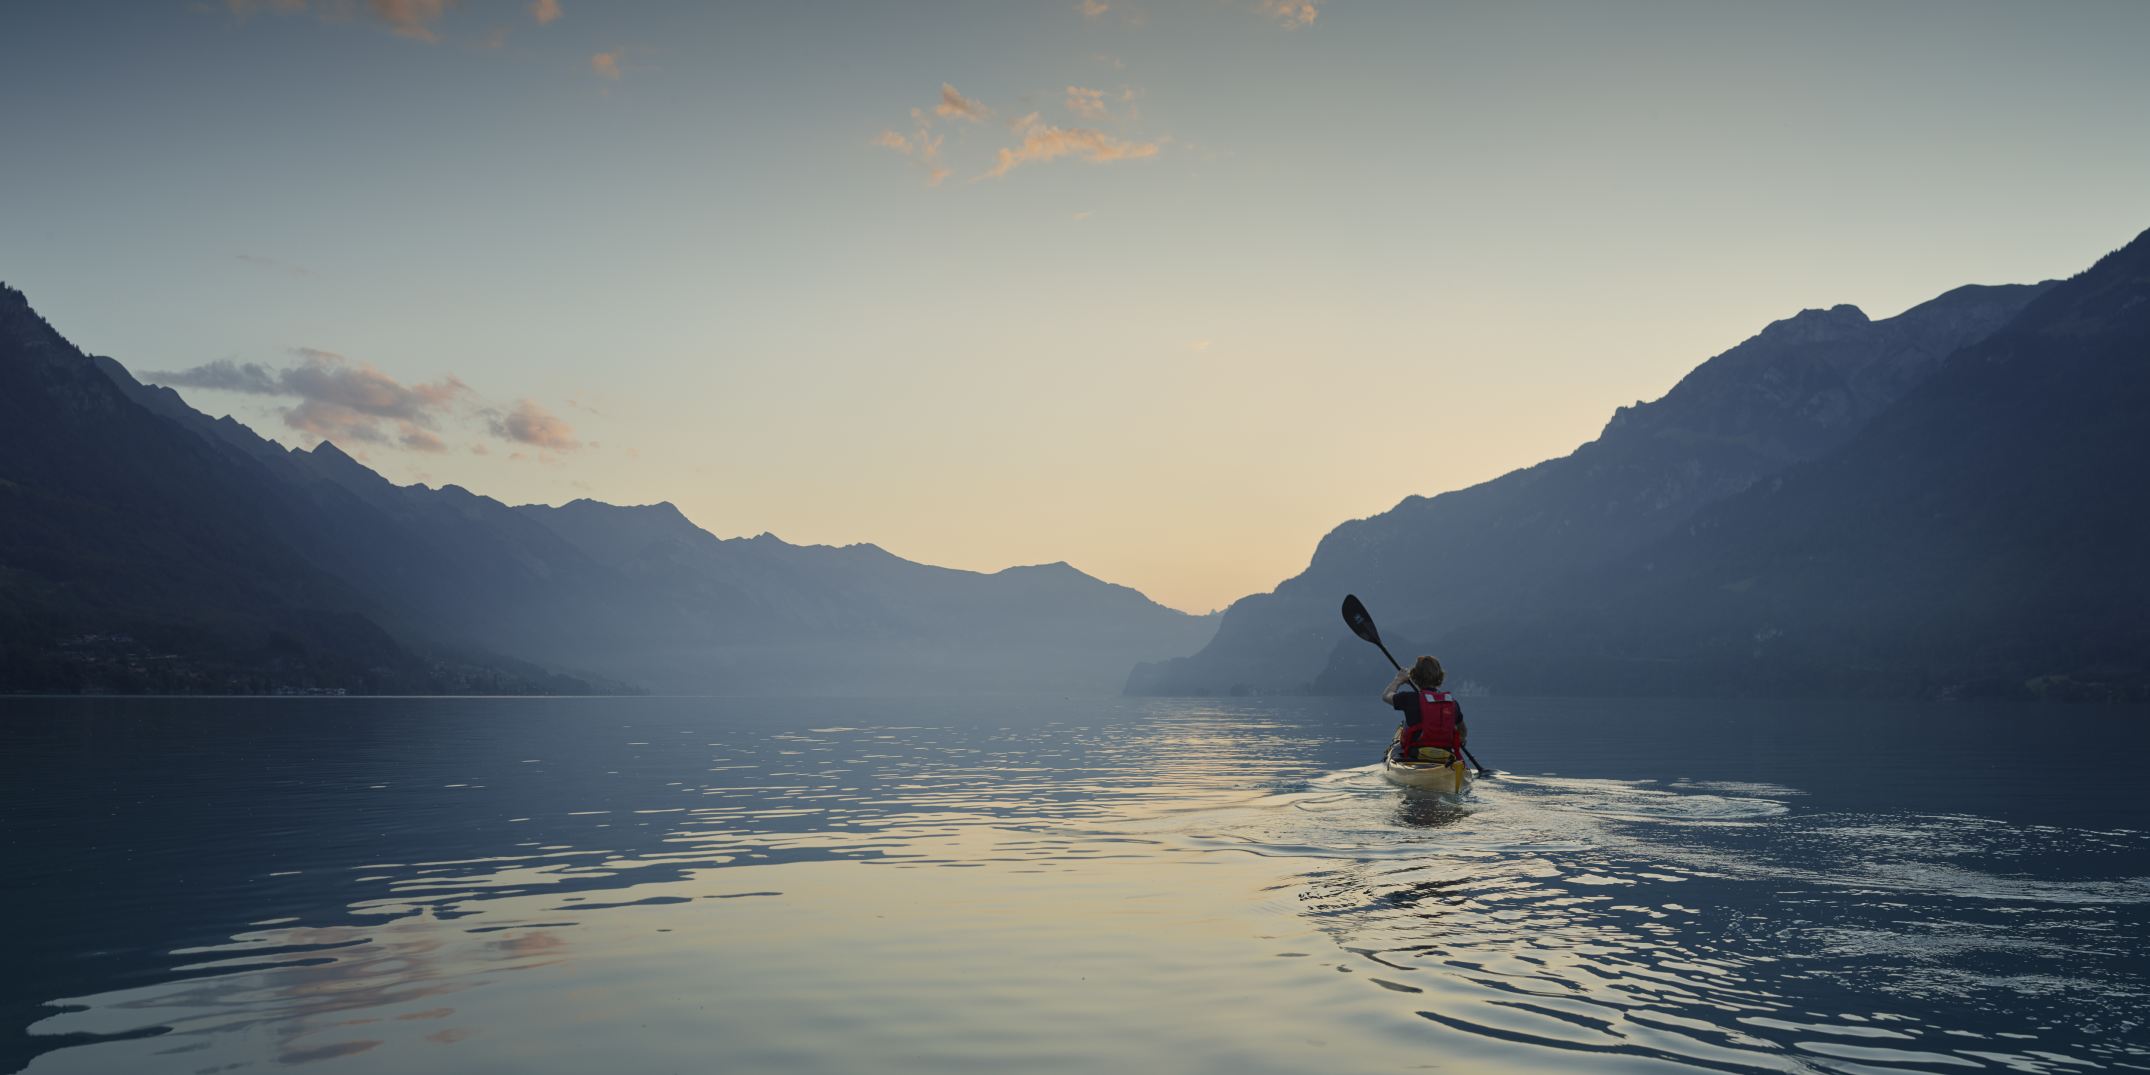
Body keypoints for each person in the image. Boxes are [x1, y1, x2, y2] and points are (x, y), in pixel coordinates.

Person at [1384, 655, 1466, 764]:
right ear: (1440, 676)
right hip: (1445, 756)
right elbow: (1462, 730)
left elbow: (1386, 695)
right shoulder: (1452, 703)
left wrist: (1398, 680)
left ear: (1415, 676)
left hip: (1415, 755)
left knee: (1393, 750)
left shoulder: (1409, 698)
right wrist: (1462, 740)